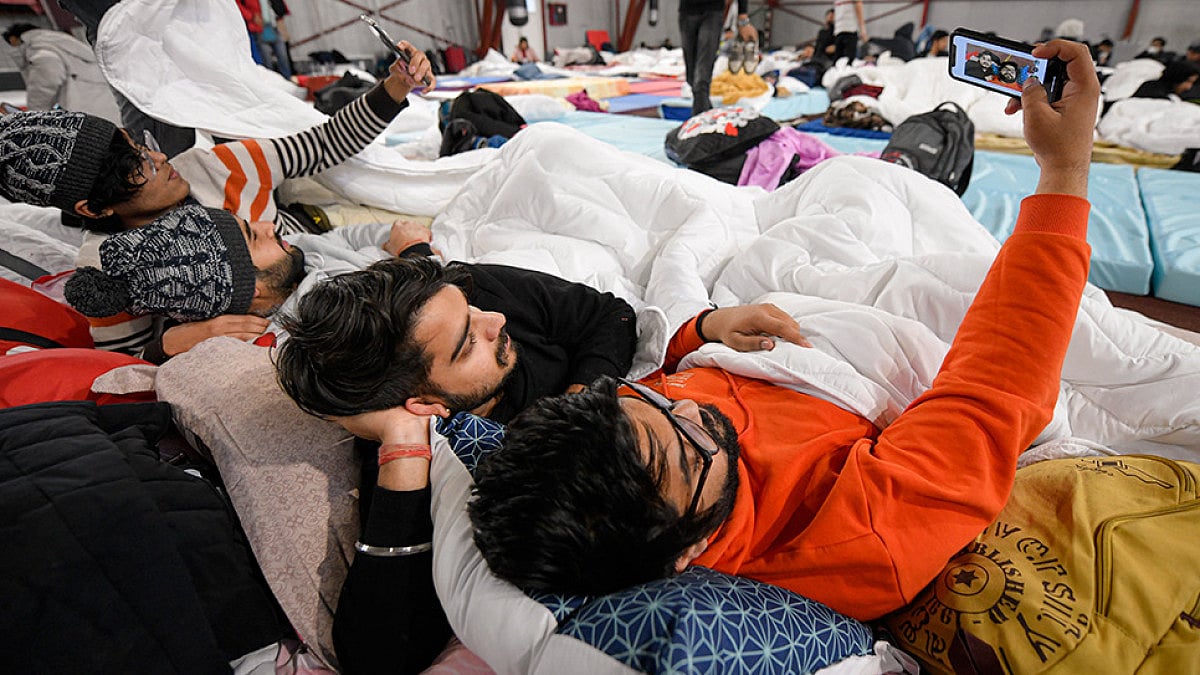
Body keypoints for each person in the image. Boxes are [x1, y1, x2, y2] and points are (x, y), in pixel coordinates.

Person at [459, 39, 1101, 622]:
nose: (692, 410)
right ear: (683, 555)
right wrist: (1065, 172)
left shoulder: (636, 443)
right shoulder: (854, 534)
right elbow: (997, 384)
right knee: (883, 193)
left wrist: (700, 333)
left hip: (764, 296)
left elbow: (662, 380)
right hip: (888, 321)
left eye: (651, 404)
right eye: (687, 449)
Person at [271, 255, 637, 673]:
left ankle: (411, 246)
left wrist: (575, 408)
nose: (496, 321)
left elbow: (612, 315)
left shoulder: (467, 291)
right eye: (468, 345)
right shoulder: (428, 461)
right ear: (424, 404)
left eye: (472, 308)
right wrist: (403, 441)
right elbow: (376, 657)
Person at [0, 44, 432, 353]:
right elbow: (124, 359)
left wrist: (396, 85)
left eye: (140, 144)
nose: (158, 157)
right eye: (139, 168)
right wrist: (171, 344)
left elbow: (324, 144)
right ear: (93, 209)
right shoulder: (108, 268)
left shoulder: (213, 167)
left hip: (325, 238)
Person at [1, 23, 120, 123]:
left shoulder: (42, 50)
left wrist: (34, 117)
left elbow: (45, 83)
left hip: (85, 115)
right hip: (109, 109)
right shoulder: (64, 43)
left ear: (14, 39)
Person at [680, 0, 757, 115]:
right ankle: (707, 111)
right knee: (691, 78)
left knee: (701, 79)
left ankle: (700, 122)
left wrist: (743, 18)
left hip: (713, 12)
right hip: (687, 11)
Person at [1131, 60, 1200, 100]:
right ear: (1178, 78)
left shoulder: (1149, 84)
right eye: (1188, 82)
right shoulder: (1161, 97)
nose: (1188, 87)